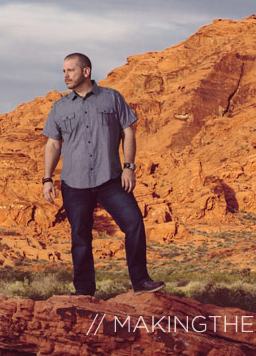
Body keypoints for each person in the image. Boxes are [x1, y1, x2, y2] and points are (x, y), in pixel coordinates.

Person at [41, 52, 164, 296]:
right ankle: (84, 291)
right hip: (74, 184)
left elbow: (128, 132)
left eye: (70, 70)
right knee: (80, 237)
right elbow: (53, 144)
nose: (65, 75)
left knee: (134, 223)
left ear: (86, 72)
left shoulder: (112, 98)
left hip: (111, 179)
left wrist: (129, 167)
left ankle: (140, 282)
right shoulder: (60, 107)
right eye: (64, 71)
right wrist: (47, 178)